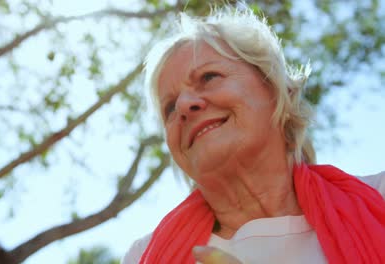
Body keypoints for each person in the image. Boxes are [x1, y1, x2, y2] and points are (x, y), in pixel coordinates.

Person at [123, 5, 385, 264]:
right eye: (169, 107)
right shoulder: (141, 256)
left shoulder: (378, 198)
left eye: (208, 77)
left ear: (274, 88)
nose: (183, 105)